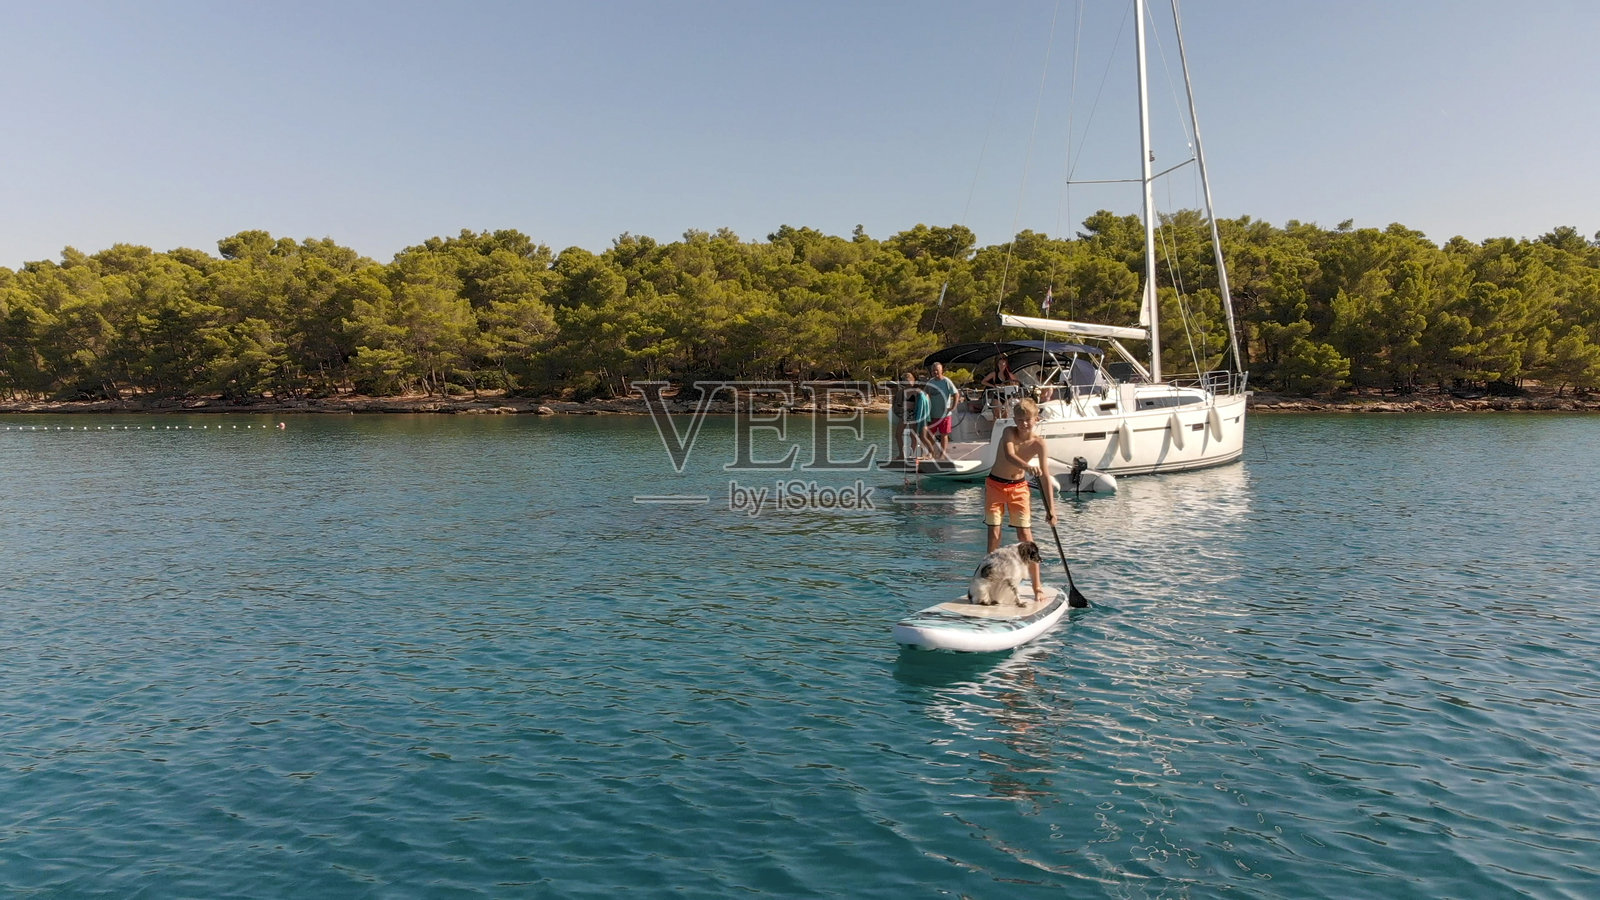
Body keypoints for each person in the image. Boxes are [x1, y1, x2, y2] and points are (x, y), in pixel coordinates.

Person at [983, 397, 1056, 600]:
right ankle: (989, 584)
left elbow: (1046, 477)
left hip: (1018, 489)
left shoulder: (1039, 444)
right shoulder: (1009, 432)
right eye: (1019, 419)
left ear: (1036, 419)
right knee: (994, 536)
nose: (1023, 423)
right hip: (995, 485)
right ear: (1014, 419)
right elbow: (1009, 455)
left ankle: (1037, 587)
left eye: (1028, 419)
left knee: (1026, 538)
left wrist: (1051, 510)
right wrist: (1027, 466)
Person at [925, 362, 958, 458]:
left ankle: (942, 454)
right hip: (933, 414)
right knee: (930, 434)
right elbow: (925, 393)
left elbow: (955, 394)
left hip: (945, 414)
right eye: (933, 371)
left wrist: (953, 406)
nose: (935, 372)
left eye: (937, 370)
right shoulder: (930, 382)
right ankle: (930, 452)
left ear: (941, 370)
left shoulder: (946, 381)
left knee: (944, 434)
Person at [898, 372, 932, 461]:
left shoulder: (917, 391)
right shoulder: (903, 391)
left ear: (913, 381)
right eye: (905, 381)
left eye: (908, 380)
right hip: (906, 414)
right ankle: (902, 455)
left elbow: (926, 398)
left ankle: (915, 455)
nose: (907, 382)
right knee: (898, 434)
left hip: (914, 414)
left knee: (914, 435)